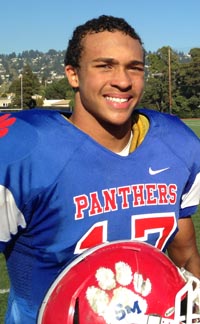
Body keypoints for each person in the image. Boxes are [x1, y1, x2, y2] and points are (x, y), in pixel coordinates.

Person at [0, 15, 200, 323]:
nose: (122, 80)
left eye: (135, 67)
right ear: (73, 75)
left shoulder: (175, 142)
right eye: (105, 65)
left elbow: (185, 254)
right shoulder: (24, 150)